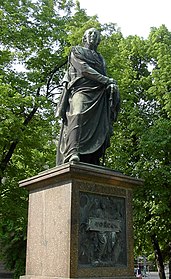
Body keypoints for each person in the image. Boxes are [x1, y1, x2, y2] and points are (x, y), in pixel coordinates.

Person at [56, 27, 120, 165]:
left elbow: (104, 74)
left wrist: (110, 86)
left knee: (101, 125)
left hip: (99, 93)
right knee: (77, 113)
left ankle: (92, 157)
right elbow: (84, 69)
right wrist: (106, 80)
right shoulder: (77, 51)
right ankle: (73, 151)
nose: (93, 35)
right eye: (90, 33)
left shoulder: (100, 58)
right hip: (81, 89)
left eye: (96, 34)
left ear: (99, 40)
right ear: (84, 37)